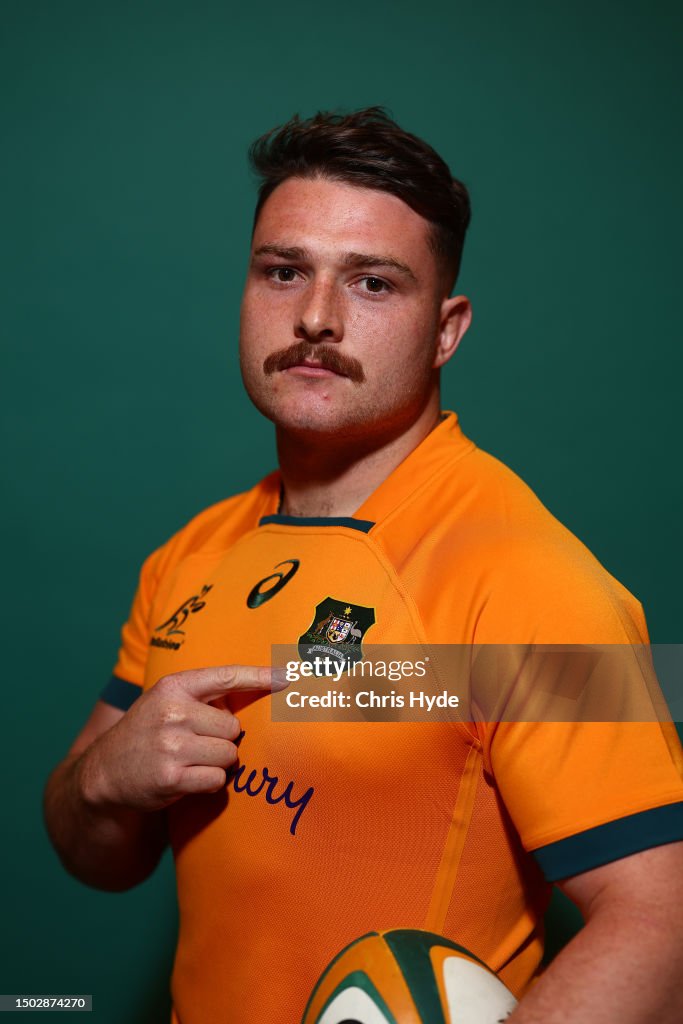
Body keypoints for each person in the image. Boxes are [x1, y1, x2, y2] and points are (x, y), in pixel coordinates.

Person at [44, 108, 683, 1024]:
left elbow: (660, 920)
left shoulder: (527, 577)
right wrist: (104, 779)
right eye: (282, 271)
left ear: (446, 328)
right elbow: (94, 855)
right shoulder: (190, 556)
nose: (314, 316)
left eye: (374, 283)